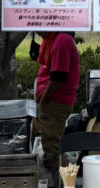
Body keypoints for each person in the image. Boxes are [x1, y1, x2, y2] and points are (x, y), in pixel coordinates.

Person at [34, 32, 80, 176]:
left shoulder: (61, 41)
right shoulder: (52, 40)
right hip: (53, 100)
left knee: (52, 149)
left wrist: (45, 99)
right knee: (51, 146)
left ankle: (62, 186)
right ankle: (62, 183)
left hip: (55, 100)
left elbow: (59, 76)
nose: (37, 30)